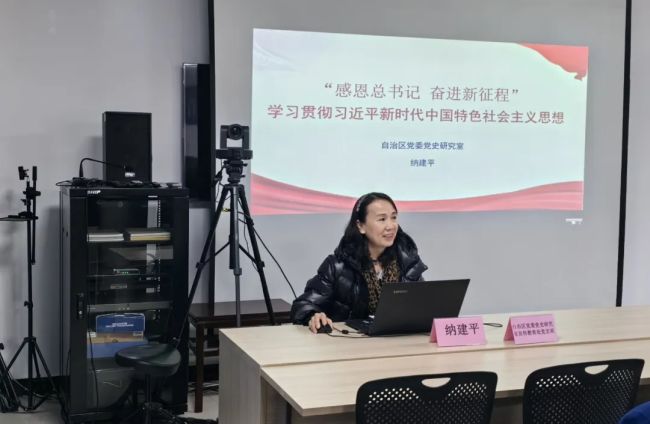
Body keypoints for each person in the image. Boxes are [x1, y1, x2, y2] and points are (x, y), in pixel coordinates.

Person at [290, 192, 428, 333]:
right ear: (361, 226)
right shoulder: (337, 266)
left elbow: (423, 305)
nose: (391, 226)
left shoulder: (407, 261)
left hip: (399, 339)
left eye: (393, 217)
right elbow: (303, 305)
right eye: (382, 219)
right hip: (349, 341)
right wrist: (313, 315)